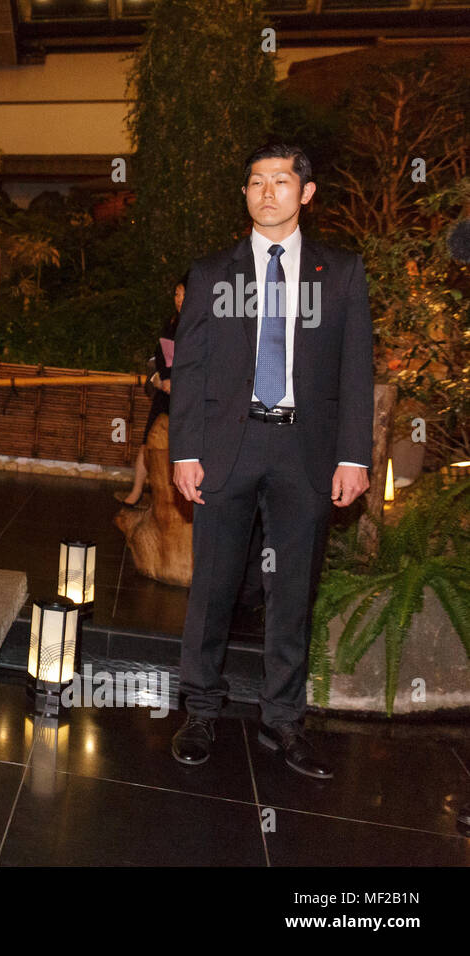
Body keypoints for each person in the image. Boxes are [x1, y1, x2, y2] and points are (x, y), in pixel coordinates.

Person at [169, 143, 373, 778]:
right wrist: (186, 451)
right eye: (255, 182)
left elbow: (355, 370)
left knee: (292, 592)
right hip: (229, 446)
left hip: (304, 451)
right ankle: (200, 708)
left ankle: (282, 720)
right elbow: (191, 370)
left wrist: (353, 456)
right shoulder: (212, 273)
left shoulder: (339, 273)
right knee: (213, 587)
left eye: (280, 182)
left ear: (305, 193)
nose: (266, 192)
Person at [117, 275, 185, 508]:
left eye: (184, 294)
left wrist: (180, 383)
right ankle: (136, 491)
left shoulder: (201, 325)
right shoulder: (171, 323)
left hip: (187, 396)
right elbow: (161, 355)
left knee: (180, 447)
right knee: (148, 441)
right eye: (176, 294)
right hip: (165, 392)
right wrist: (163, 379)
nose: (179, 299)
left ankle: (173, 500)